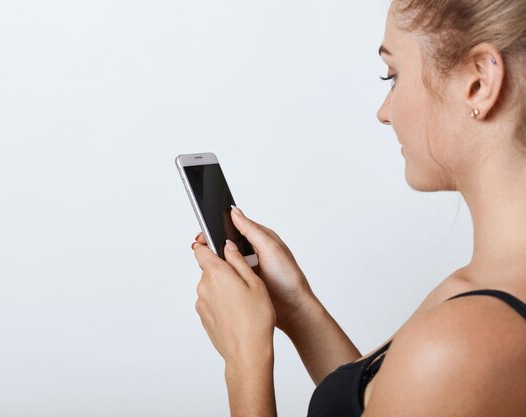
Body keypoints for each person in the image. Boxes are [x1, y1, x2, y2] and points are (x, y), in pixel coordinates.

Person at [189, 0, 526, 416]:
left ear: (479, 81)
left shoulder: (458, 344)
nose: (384, 113)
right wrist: (296, 307)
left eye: (393, 76)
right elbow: (382, 402)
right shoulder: (482, 294)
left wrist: (245, 359)